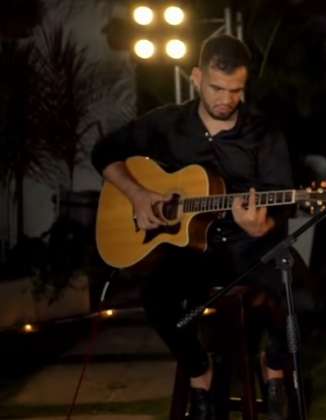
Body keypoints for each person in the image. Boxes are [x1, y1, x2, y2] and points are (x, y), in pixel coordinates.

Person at [91, 35, 292, 420]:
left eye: (237, 90)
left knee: (290, 286)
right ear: (197, 77)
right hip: (188, 253)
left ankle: (275, 372)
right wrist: (136, 195)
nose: (227, 99)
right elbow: (103, 153)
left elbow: (278, 198)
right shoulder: (166, 123)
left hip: (247, 248)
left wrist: (259, 225)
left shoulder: (264, 133)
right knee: (156, 297)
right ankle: (201, 374)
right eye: (217, 88)